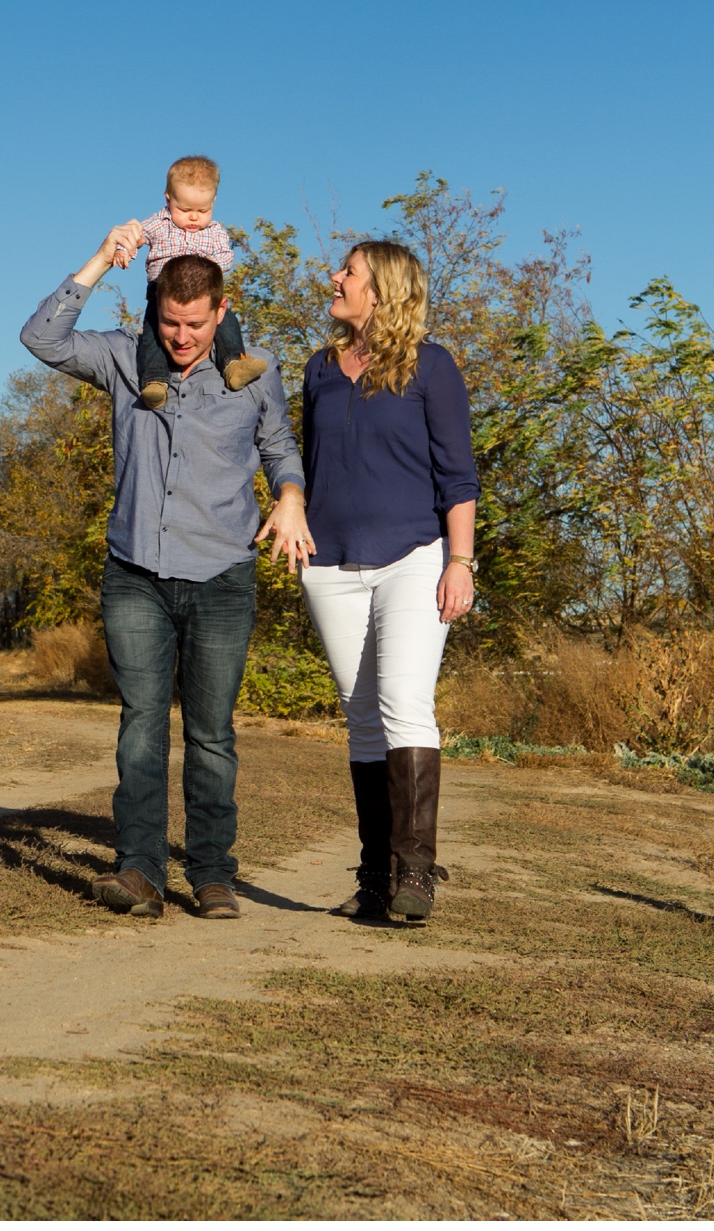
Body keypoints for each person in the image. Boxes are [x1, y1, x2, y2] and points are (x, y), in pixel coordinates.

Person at [21, 222, 313, 920]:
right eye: (170, 321)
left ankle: (212, 874)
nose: (181, 337)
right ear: (154, 310)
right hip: (136, 574)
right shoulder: (126, 358)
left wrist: (293, 498)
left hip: (221, 576)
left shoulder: (256, 372)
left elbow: (280, 449)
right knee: (142, 723)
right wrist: (100, 258)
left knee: (211, 732)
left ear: (221, 312)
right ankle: (141, 871)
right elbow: (43, 338)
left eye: (194, 323)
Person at [298, 240, 479, 923]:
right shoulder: (318, 369)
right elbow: (309, 468)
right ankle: (375, 878)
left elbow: (458, 475)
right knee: (363, 719)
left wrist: (459, 562)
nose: (335, 278)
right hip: (331, 566)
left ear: (381, 291)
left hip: (414, 558)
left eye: (348, 272)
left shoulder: (431, 368)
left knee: (406, 700)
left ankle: (417, 874)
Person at [110, 155, 267, 410]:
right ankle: (154, 381)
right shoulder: (160, 223)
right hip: (163, 291)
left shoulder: (214, 231)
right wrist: (122, 250)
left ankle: (234, 363)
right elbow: (135, 235)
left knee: (226, 320)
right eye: (184, 210)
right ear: (168, 199)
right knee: (153, 330)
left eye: (202, 211)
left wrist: (208, 270)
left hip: (203, 291)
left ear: (213, 203)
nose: (194, 218)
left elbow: (226, 258)